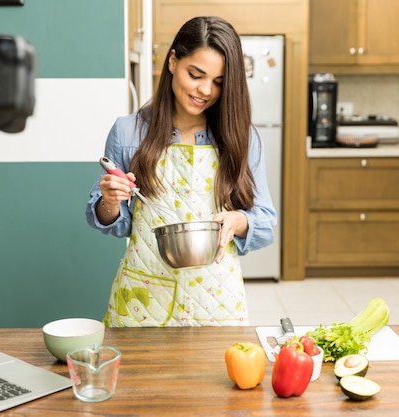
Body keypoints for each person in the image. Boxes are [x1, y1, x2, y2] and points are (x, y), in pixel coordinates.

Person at [86, 16, 277, 327]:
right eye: (196, 74)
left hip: (217, 303)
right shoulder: (129, 132)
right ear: (173, 61)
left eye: (219, 81)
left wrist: (239, 220)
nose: (205, 90)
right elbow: (109, 223)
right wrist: (110, 200)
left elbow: (266, 222)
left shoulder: (241, 137)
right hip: (143, 299)